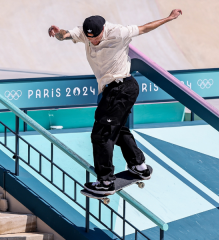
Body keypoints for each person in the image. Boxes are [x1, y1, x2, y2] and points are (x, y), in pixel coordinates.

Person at [48, 9, 182, 195]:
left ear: (103, 29)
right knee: (117, 130)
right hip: (116, 90)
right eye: (90, 39)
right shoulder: (84, 33)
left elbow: (144, 28)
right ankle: (139, 166)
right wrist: (57, 33)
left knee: (101, 135)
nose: (93, 42)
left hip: (121, 88)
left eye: (96, 38)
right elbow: (66, 35)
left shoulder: (119, 32)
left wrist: (169, 18)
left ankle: (105, 181)